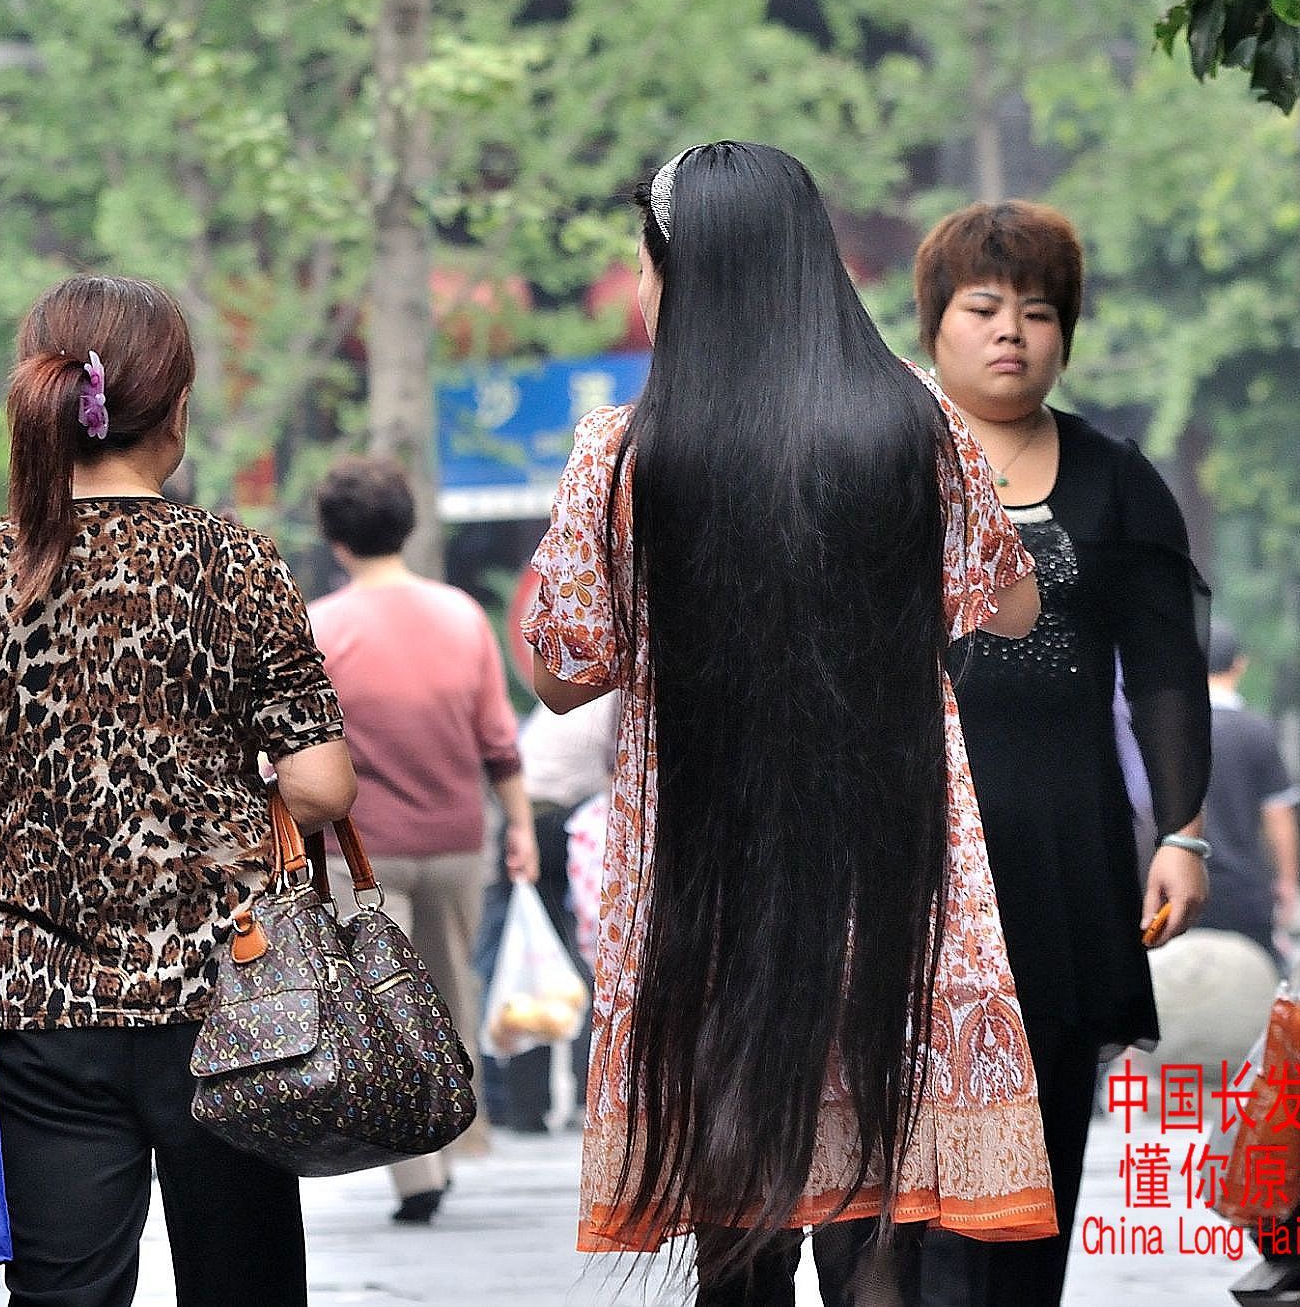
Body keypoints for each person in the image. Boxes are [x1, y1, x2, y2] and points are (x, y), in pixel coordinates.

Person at [519, 142, 1060, 1305]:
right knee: (878, 1238)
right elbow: (1009, 603)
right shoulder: (910, 421)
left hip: (708, 891)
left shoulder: (621, 454)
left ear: (684, 275)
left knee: (736, 1229)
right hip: (894, 871)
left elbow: (564, 670)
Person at [0, 273, 357, 1307]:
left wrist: (34, 816)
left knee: (63, 1293)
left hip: (41, 1011)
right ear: (175, 408)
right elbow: (321, 788)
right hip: (235, 1007)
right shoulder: (235, 561)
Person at [907, 199, 1213, 1307]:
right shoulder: (883, 456)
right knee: (923, 1167)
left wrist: (1181, 828)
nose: (1010, 334)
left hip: (1064, 853)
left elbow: (1168, 670)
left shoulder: (1111, 475)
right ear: (934, 322)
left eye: (1037, 312)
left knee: (1043, 1149)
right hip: (915, 858)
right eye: (982, 308)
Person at [307, 455, 538, 1224]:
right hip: (457, 839)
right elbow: (498, 739)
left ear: (335, 540)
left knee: (382, 1008)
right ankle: (450, 1135)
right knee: (449, 997)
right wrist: (521, 827)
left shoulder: (323, 626)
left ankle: (419, 1171)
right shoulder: (461, 615)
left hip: (358, 852)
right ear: (407, 523)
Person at [495, 691, 619, 1132]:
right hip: (554, 826)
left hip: (525, 817)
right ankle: (591, 1092)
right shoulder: (617, 695)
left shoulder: (578, 683)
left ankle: (526, 1106)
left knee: (532, 958)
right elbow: (615, 769)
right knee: (589, 959)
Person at [1194, 620, 1300, 965]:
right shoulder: (1258, 731)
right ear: (1239, 664)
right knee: (1253, 988)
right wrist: (1287, 881)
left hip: (1181, 885)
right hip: (1245, 889)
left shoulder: (1171, 730)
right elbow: (1279, 815)